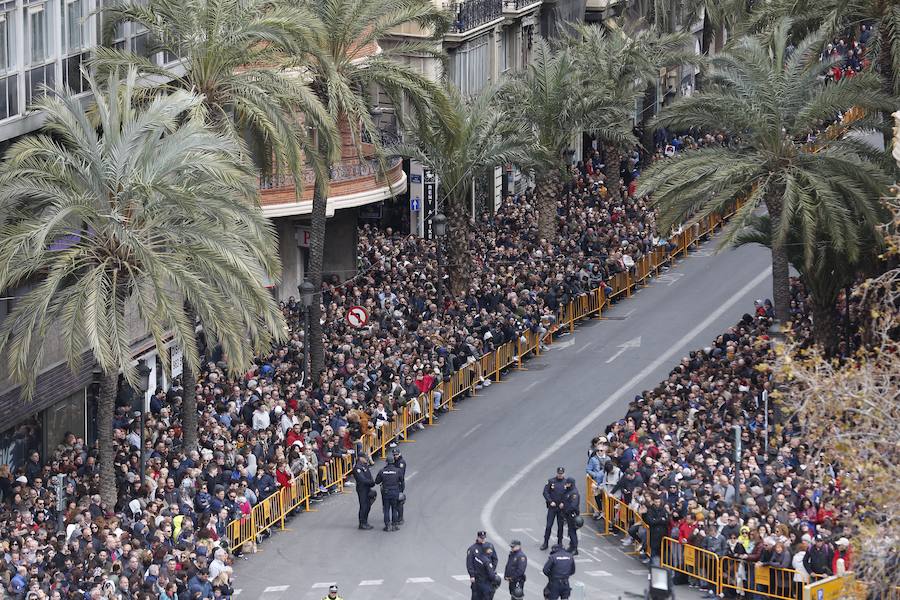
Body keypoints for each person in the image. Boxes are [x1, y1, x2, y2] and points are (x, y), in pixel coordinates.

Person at [375, 454, 404, 531]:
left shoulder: (382, 471)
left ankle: (387, 525)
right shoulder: (398, 470)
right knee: (394, 508)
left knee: (386, 509)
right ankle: (394, 525)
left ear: (386, 462)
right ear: (393, 461)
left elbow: (377, 481)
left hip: (386, 492)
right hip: (395, 491)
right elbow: (402, 480)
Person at [541, 467, 568, 551]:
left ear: (564, 474)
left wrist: (563, 503)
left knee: (560, 526)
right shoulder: (551, 481)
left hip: (561, 508)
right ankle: (545, 542)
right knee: (549, 525)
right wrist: (550, 501)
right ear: (557, 473)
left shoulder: (566, 482)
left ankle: (560, 543)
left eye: (561, 473)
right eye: (559, 473)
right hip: (552, 507)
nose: (560, 475)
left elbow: (568, 494)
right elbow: (545, 492)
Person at [352, 454, 376, 530]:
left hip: (367, 488)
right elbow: (362, 479)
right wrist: (371, 482)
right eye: (365, 458)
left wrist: (371, 482)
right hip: (362, 489)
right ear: (360, 458)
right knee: (363, 506)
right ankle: (362, 523)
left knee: (367, 505)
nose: (366, 459)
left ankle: (365, 521)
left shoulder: (364, 465)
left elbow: (368, 475)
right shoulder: (357, 468)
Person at [562, 478, 580, 555]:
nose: (566, 484)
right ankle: (571, 546)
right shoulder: (569, 491)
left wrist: (566, 511)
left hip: (572, 514)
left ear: (571, 483)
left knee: (572, 532)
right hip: (568, 514)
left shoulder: (574, 493)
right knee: (570, 531)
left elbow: (573, 505)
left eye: (567, 483)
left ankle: (575, 549)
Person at [393, 449, 407, 524]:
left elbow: (400, 474)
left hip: (399, 484)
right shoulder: (395, 461)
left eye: (396, 454)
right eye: (394, 455)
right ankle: (396, 516)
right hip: (395, 484)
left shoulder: (401, 462)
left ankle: (400, 518)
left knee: (399, 501)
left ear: (400, 454)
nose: (395, 456)